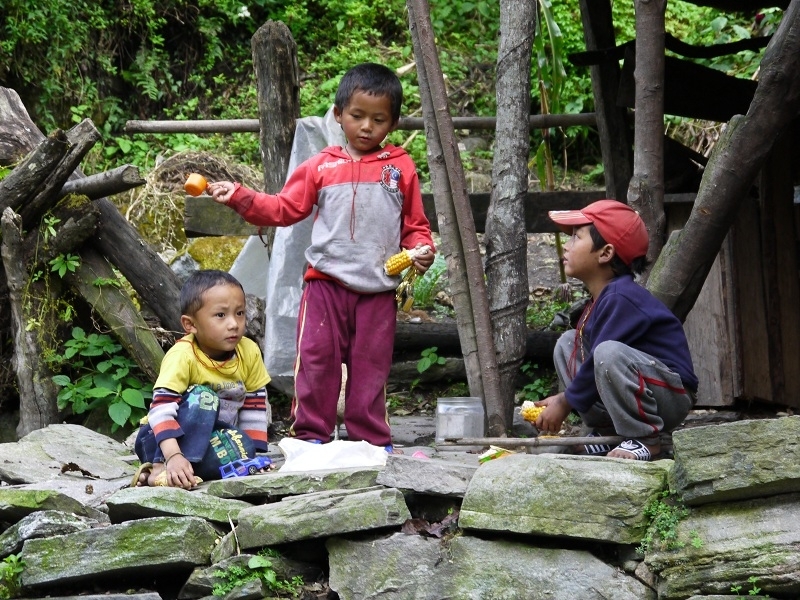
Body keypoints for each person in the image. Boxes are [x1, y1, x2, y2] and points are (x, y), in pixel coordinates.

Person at [206, 62, 435, 452]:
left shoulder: (400, 169)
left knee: (370, 369)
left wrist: (421, 249)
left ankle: (371, 442)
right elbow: (282, 209)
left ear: (393, 124)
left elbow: (414, 224)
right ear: (338, 115)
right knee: (315, 363)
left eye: (378, 119)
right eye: (357, 116)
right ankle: (310, 436)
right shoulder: (321, 166)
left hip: (378, 290)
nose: (366, 127)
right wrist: (241, 197)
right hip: (324, 284)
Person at [533, 200, 698, 461]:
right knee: (567, 343)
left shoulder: (622, 297)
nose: (566, 245)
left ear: (605, 253)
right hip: (641, 385)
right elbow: (591, 367)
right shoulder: (601, 299)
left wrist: (565, 403)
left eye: (577, 237)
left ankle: (645, 438)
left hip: (670, 395)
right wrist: (564, 398)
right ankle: (607, 431)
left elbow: (605, 358)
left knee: (607, 352)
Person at [133, 270, 271, 488]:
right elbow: (160, 410)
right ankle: (160, 467)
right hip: (160, 440)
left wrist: (254, 456)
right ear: (190, 325)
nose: (234, 324)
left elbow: (254, 403)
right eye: (220, 315)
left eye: (240, 313)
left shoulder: (249, 351)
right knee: (204, 397)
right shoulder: (182, 355)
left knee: (241, 444)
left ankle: (173, 475)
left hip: (210, 440)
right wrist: (172, 456)